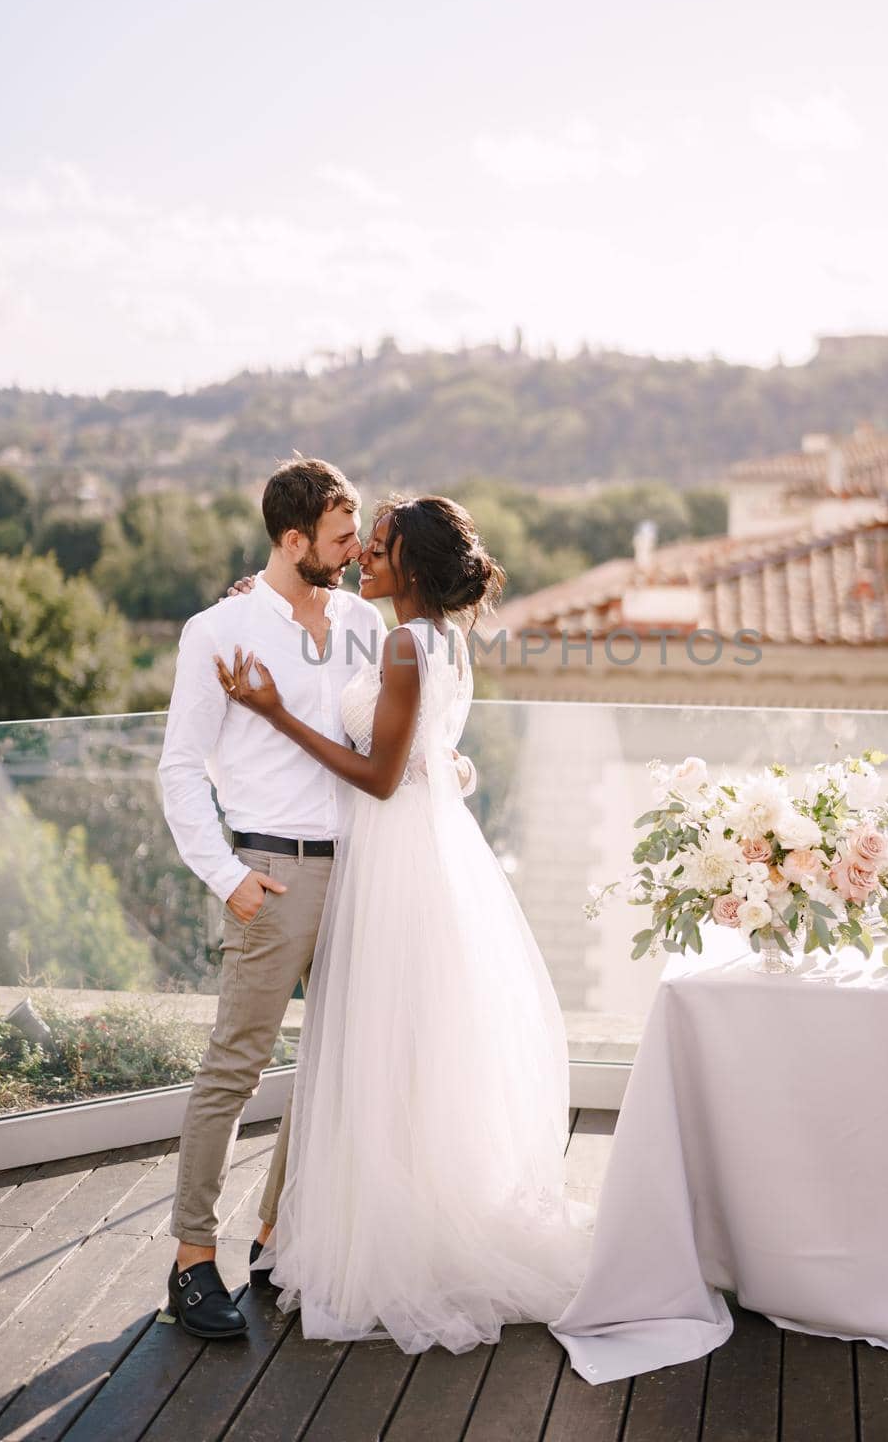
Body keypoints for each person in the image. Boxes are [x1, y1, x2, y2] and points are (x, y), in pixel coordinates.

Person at [214, 494, 595, 1353]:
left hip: (394, 857)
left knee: (377, 1045)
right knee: (405, 1050)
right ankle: (390, 1219)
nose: (363, 561)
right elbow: (425, 749)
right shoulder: (441, 639)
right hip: (424, 854)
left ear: (411, 567)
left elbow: (381, 777)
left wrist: (275, 712)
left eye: (378, 550)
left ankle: (387, 1244)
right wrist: (267, 601)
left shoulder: (401, 643)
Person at [157, 457, 474, 1339]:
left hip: (364, 871)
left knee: (330, 1063)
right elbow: (180, 771)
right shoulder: (214, 630)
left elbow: (397, 734)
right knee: (234, 1066)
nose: (353, 551)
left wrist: (446, 770)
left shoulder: (357, 623)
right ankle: (190, 1260)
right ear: (293, 540)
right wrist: (228, 875)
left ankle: (273, 1237)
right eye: (340, 538)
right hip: (274, 871)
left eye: (359, 538)